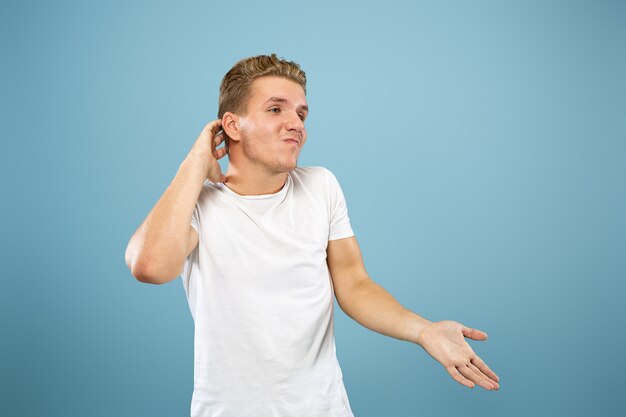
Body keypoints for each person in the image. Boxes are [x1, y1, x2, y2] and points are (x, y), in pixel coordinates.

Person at [125, 53, 500, 417]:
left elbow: (354, 285)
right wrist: (195, 159)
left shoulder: (321, 186)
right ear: (232, 125)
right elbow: (150, 266)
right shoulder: (196, 204)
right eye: (276, 109)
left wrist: (425, 331)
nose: (296, 123)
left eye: (301, 113)